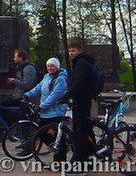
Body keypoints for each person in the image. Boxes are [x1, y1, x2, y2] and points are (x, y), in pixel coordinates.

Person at [60, 40, 97, 173]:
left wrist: (66, 96)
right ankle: (91, 159)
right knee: (87, 130)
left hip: (80, 100)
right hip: (85, 99)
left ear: (80, 50)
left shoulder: (80, 63)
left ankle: (80, 165)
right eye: (69, 51)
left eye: (73, 50)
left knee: (80, 133)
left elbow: (78, 83)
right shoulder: (86, 61)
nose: (71, 53)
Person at [24, 57, 68, 159]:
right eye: (48, 66)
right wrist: (27, 95)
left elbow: (54, 97)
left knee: (57, 137)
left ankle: (60, 159)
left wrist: (41, 106)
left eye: (52, 66)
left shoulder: (60, 80)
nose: (50, 68)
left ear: (57, 67)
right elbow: (38, 88)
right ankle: (56, 149)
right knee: (42, 133)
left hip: (56, 112)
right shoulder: (46, 77)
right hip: (45, 112)